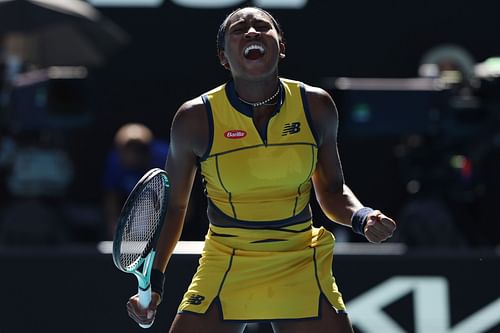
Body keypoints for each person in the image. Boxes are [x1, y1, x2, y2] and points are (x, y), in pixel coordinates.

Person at [127, 7, 396, 333]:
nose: (251, 32)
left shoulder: (316, 106)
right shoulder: (195, 119)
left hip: (298, 257)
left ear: (280, 46)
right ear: (224, 58)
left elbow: (332, 191)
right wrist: (155, 282)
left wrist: (362, 216)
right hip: (227, 257)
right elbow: (175, 207)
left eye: (261, 27)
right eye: (239, 30)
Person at [102, 123, 169, 239]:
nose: (133, 157)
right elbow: (111, 197)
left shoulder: (166, 158)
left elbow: (181, 202)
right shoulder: (114, 162)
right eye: (127, 152)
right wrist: (113, 225)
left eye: (138, 151)